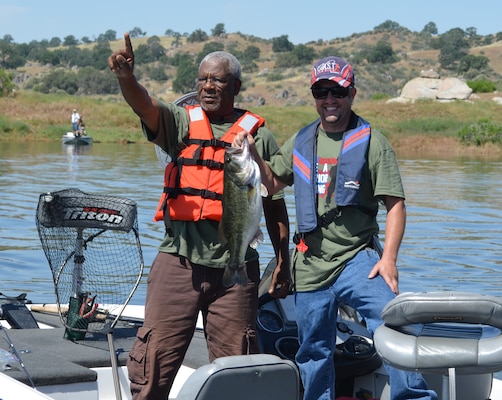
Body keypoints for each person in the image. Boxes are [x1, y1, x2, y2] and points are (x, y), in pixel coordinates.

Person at [234, 56, 437, 400]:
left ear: (352, 93)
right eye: (321, 91)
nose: (330, 99)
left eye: (338, 92)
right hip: (310, 263)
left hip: (357, 258)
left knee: (394, 324)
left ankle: (415, 398)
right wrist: (251, 154)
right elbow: (270, 183)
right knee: (313, 349)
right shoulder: (301, 141)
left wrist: (388, 259)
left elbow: (396, 205)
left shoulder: (372, 141)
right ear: (314, 95)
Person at [108, 33, 292, 400]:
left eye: (218, 80)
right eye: (203, 79)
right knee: (153, 364)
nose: (208, 86)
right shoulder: (180, 123)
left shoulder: (259, 138)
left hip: (236, 271)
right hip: (178, 263)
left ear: (236, 86)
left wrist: (284, 260)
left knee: (235, 370)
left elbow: (273, 203)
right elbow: (144, 105)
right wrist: (126, 78)